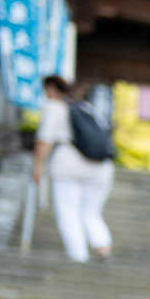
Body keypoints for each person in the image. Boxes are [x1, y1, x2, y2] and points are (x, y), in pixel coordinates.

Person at [32, 76, 114, 263]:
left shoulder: (55, 107)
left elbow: (45, 139)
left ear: (51, 89)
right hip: (100, 167)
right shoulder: (87, 107)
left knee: (68, 212)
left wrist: (37, 165)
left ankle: (79, 258)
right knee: (91, 212)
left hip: (68, 163)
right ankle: (103, 248)